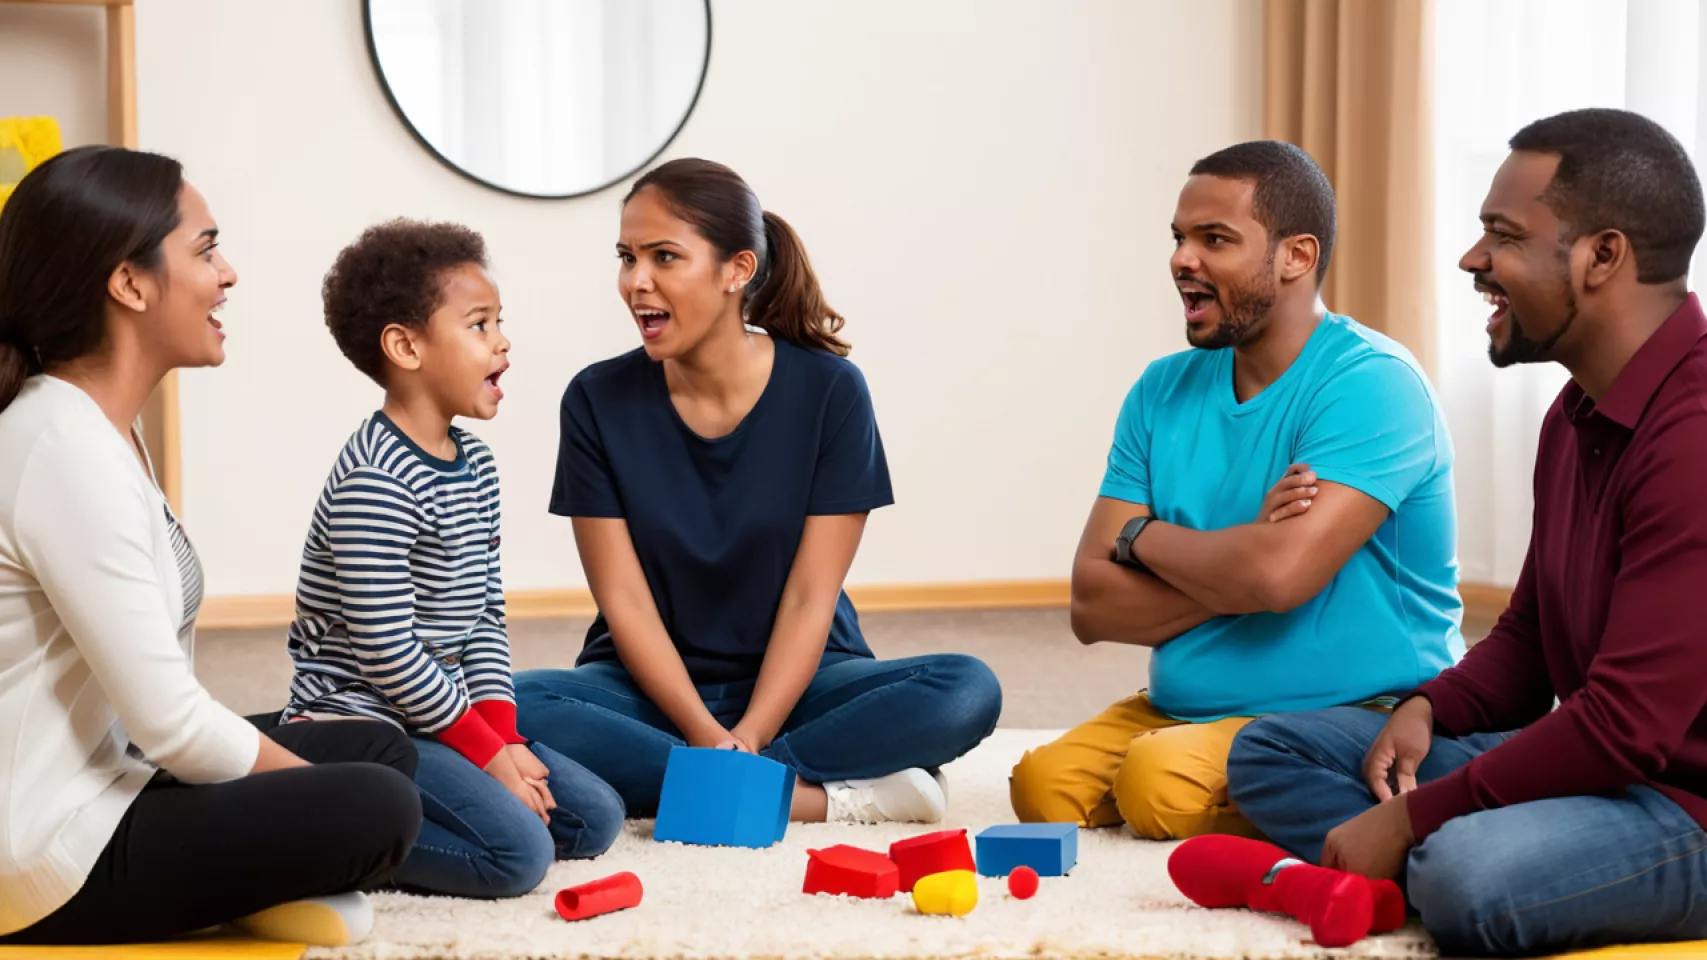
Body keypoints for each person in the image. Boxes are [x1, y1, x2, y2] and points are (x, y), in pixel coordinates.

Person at [1227, 108, 1707, 957]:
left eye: (1503, 235)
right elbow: (1529, 638)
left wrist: (1412, 818)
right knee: (1273, 749)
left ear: (1602, 256)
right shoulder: (1575, 414)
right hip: (1604, 773)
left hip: (1685, 807)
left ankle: (1415, 867)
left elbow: (1626, 723)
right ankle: (1432, 864)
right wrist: (1429, 707)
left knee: (1463, 870)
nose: (1471, 258)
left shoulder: (1693, 436)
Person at [0, 147, 420, 946]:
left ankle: (263, 876)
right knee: (379, 803)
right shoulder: (62, 449)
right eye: (205, 250)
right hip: (43, 852)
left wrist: (303, 790)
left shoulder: (98, 427)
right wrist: (312, 795)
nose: (227, 274)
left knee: (375, 749)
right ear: (129, 283)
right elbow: (171, 724)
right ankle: (282, 872)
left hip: (109, 777)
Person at [515, 158, 1002, 824]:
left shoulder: (830, 392)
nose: (636, 281)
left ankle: (706, 787)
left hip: (802, 682)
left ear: (736, 270)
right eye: (627, 258)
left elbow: (810, 598)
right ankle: (814, 800)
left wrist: (750, 735)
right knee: (510, 707)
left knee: (966, 689)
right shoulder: (595, 399)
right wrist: (703, 731)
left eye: (664, 257)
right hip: (649, 690)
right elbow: (624, 601)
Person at [1009, 140, 1463, 841]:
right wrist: (1244, 557)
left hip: (1351, 711)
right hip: (1185, 706)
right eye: (1178, 238)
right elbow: (1091, 604)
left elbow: (1277, 579)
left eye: (1214, 239)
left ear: (1296, 256)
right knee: (1042, 787)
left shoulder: (1372, 383)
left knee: (1155, 784)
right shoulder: (1160, 389)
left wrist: (1143, 539)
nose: (1182, 260)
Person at [278, 219, 624, 899]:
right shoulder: (374, 481)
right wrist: (487, 755)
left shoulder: (476, 466)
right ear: (406, 346)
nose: (502, 342)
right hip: (363, 725)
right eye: (479, 324)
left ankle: (438, 788)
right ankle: (324, 827)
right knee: (517, 856)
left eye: (499, 322)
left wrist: (505, 738)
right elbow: (387, 654)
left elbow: (484, 615)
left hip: (435, 716)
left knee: (593, 818)